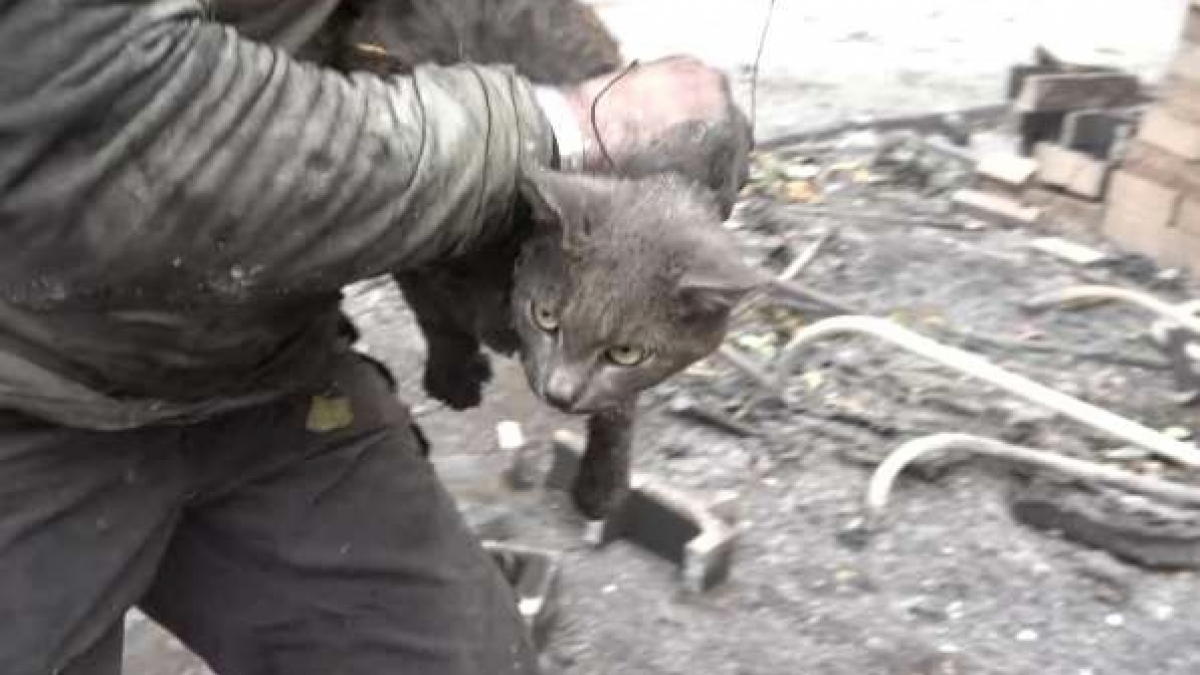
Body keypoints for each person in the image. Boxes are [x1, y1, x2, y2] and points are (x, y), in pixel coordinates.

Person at [0, 2, 751, 674]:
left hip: (263, 362)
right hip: (30, 389)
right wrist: (565, 121)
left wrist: (654, 159)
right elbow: (127, 119)